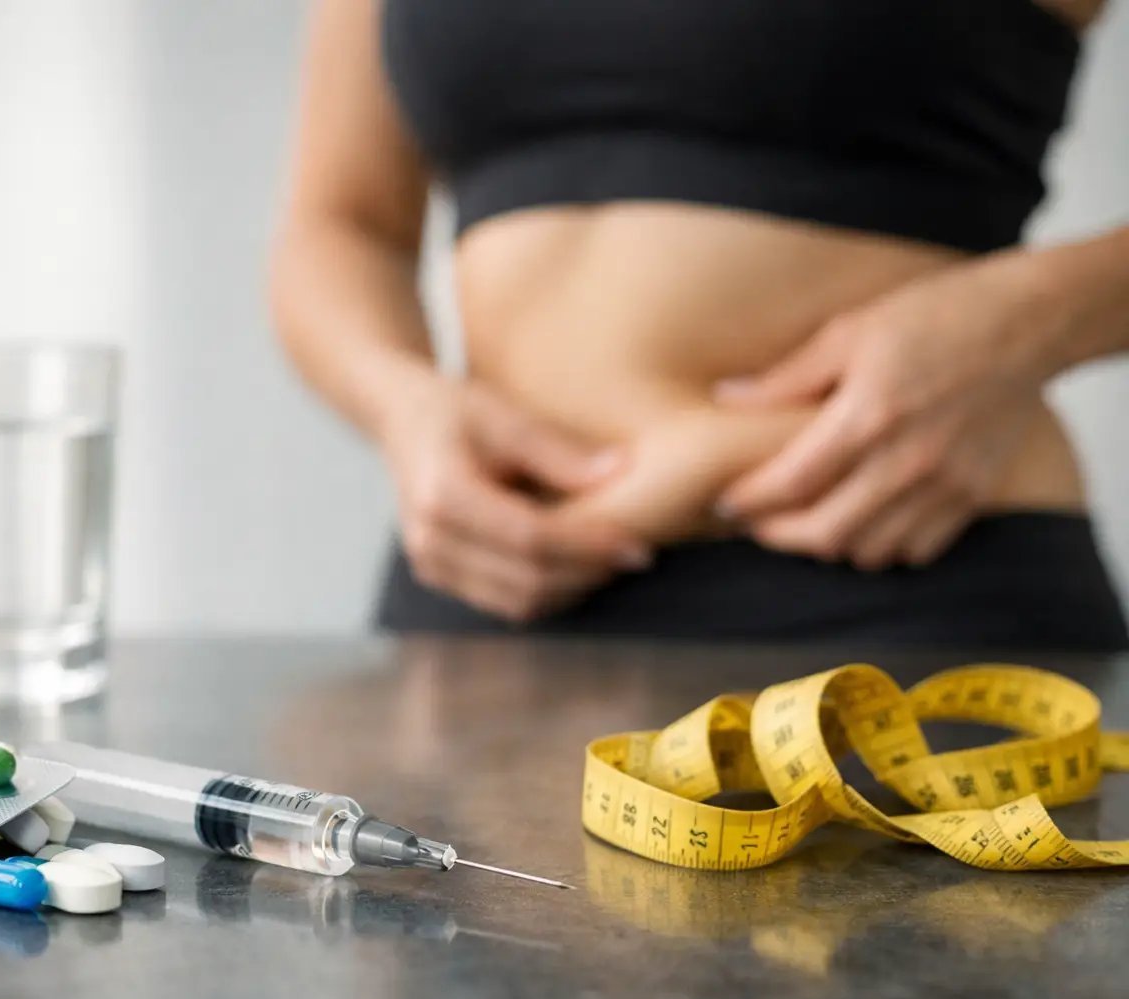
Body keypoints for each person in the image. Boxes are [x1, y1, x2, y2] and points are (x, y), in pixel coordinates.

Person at [269, 0, 1129, 649]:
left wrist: (1029, 319)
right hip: (484, 599)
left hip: (904, 568)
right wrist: (403, 405)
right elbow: (340, 226)